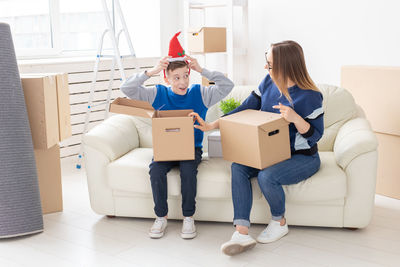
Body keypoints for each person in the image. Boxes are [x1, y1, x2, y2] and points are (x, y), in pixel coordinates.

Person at [190, 40, 324, 255]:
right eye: (267, 62)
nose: (266, 68)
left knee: (267, 177)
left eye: (270, 64)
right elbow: (246, 107)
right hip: (271, 153)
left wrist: (296, 118)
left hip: (303, 157)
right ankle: (241, 232)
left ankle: (279, 222)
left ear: (286, 65)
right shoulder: (268, 83)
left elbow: (316, 135)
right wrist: (213, 125)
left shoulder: (310, 95)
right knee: (238, 168)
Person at [120, 32, 234, 239]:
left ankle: (188, 218)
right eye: (176, 77)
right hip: (165, 150)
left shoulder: (201, 93)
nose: (182, 82)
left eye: (186, 75)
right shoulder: (157, 93)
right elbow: (126, 88)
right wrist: (152, 71)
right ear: (167, 78)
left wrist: (202, 69)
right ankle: (161, 217)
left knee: (188, 171)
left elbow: (228, 86)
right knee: (155, 169)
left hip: (191, 149)